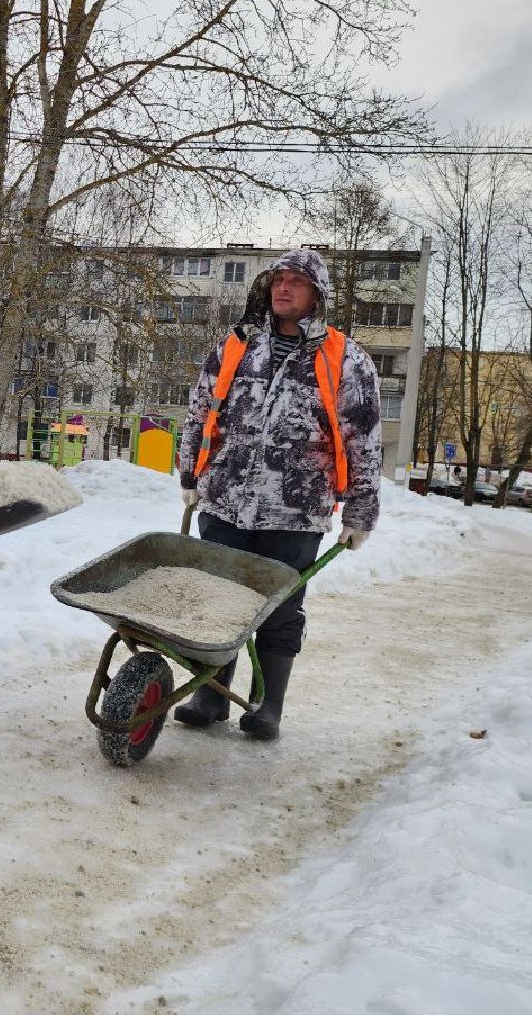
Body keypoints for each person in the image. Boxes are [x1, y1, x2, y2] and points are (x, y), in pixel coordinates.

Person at [174, 248, 381, 741]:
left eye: (297, 281)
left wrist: (361, 510)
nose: (283, 288)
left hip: (295, 509)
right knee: (217, 600)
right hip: (225, 500)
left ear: (317, 295)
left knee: (280, 609)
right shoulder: (237, 346)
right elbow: (200, 410)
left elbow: (363, 438)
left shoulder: (347, 359)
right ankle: (211, 695)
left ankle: (267, 705)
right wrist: (189, 475)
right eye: (278, 280)